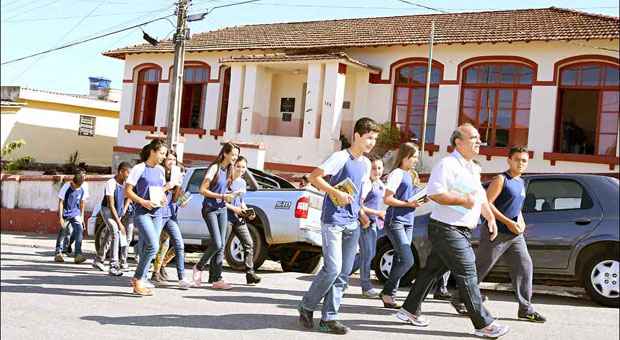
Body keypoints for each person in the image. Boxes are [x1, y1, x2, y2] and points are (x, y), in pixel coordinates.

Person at [394, 123, 510, 338]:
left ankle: (409, 310)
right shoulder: (447, 164)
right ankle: (483, 324)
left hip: (462, 229)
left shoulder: (473, 167)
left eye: (479, 138)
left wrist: (490, 216)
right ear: (458, 141)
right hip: (446, 229)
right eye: (474, 138)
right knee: (467, 272)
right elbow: (435, 193)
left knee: (431, 271)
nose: (479, 142)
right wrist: (461, 200)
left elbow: (480, 197)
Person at [297, 117, 380, 335]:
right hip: (333, 221)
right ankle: (306, 306)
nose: (372, 143)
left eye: (374, 139)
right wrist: (334, 192)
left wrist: (361, 214)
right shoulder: (340, 157)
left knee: (343, 273)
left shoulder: (365, 163)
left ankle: (329, 318)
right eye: (369, 138)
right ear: (357, 136)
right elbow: (315, 177)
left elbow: (357, 195)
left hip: (352, 223)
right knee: (332, 269)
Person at [454, 146, 546, 322]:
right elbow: (487, 203)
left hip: (515, 236)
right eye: (517, 159)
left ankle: (525, 308)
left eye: (524, 160)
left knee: (525, 267)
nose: (520, 163)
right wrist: (508, 223)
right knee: (481, 267)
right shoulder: (501, 179)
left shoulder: (521, 182)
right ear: (509, 160)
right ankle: (459, 298)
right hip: (496, 233)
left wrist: (520, 222)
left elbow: (516, 208)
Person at [380, 143, 424, 308]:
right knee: (408, 260)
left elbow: (409, 199)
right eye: (413, 157)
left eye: (417, 158)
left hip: (408, 222)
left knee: (400, 259)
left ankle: (389, 296)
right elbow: (387, 199)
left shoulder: (410, 175)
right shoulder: (397, 173)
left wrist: (420, 199)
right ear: (405, 157)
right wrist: (408, 203)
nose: (416, 161)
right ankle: (387, 291)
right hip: (396, 221)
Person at [192, 142, 240, 290]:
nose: (234, 158)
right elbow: (202, 190)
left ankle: (216, 279)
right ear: (225, 153)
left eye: (236, 156)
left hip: (222, 208)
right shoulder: (215, 168)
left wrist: (232, 196)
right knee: (217, 243)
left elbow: (226, 190)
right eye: (233, 155)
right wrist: (222, 196)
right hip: (210, 208)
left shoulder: (230, 170)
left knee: (221, 246)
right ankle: (198, 267)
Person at [125, 139, 168, 296]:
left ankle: (141, 280)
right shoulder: (139, 168)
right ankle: (138, 279)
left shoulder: (161, 170)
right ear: (153, 151)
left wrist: (163, 198)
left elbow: (160, 189)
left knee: (148, 247)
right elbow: (127, 191)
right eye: (162, 153)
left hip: (157, 212)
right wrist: (143, 201)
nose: (164, 156)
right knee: (154, 245)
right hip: (142, 212)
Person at [151, 150, 191, 289]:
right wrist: (168, 185)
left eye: (174, 160)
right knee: (155, 245)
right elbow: (154, 194)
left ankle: (182, 277)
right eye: (169, 159)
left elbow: (177, 201)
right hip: (158, 215)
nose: (171, 162)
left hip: (170, 216)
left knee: (179, 245)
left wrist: (182, 197)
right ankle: (150, 273)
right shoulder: (158, 174)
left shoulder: (177, 179)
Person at [226, 156, 262, 284]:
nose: (241, 169)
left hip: (239, 217)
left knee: (249, 243)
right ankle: (215, 274)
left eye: (243, 167)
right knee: (220, 245)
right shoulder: (226, 180)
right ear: (233, 166)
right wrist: (235, 209)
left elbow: (241, 201)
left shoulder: (242, 182)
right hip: (226, 216)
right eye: (238, 166)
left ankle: (250, 273)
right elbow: (221, 201)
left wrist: (247, 212)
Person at [92, 162, 132, 276]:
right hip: (107, 211)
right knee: (115, 231)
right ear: (121, 172)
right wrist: (119, 223)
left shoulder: (125, 184)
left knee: (109, 235)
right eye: (127, 172)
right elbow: (111, 205)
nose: (129, 175)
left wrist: (123, 210)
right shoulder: (111, 183)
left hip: (117, 211)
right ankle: (114, 265)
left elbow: (128, 197)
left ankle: (98, 260)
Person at [356, 155, 386, 298]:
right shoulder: (366, 184)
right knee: (367, 254)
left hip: (374, 224)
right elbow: (359, 205)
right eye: (374, 168)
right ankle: (366, 286)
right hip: (364, 223)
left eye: (379, 168)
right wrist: (377, 213)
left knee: (368, 254)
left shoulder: (380, 184)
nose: (377, 171)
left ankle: (340, 277)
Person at [54, 171, 89, 264]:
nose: (76, 188)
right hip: (65, 212)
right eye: (75, 186)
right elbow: (61, 202)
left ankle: (78, 254)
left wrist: (82, 217)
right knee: (63, 231)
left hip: (75, 212)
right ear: (73, 182)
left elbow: (82, 202)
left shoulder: (83, 187)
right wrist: (61, 218)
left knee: (79, 230)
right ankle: (58, 253)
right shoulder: (66, 186)